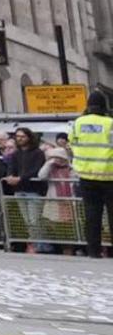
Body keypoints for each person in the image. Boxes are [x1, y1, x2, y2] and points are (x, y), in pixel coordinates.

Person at [68, 98, 113, 258]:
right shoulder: (110, 123)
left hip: (86, 176)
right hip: (109, 175)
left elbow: (72, 144)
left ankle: (93, 251)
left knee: (92, 215)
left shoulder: (77, 123)